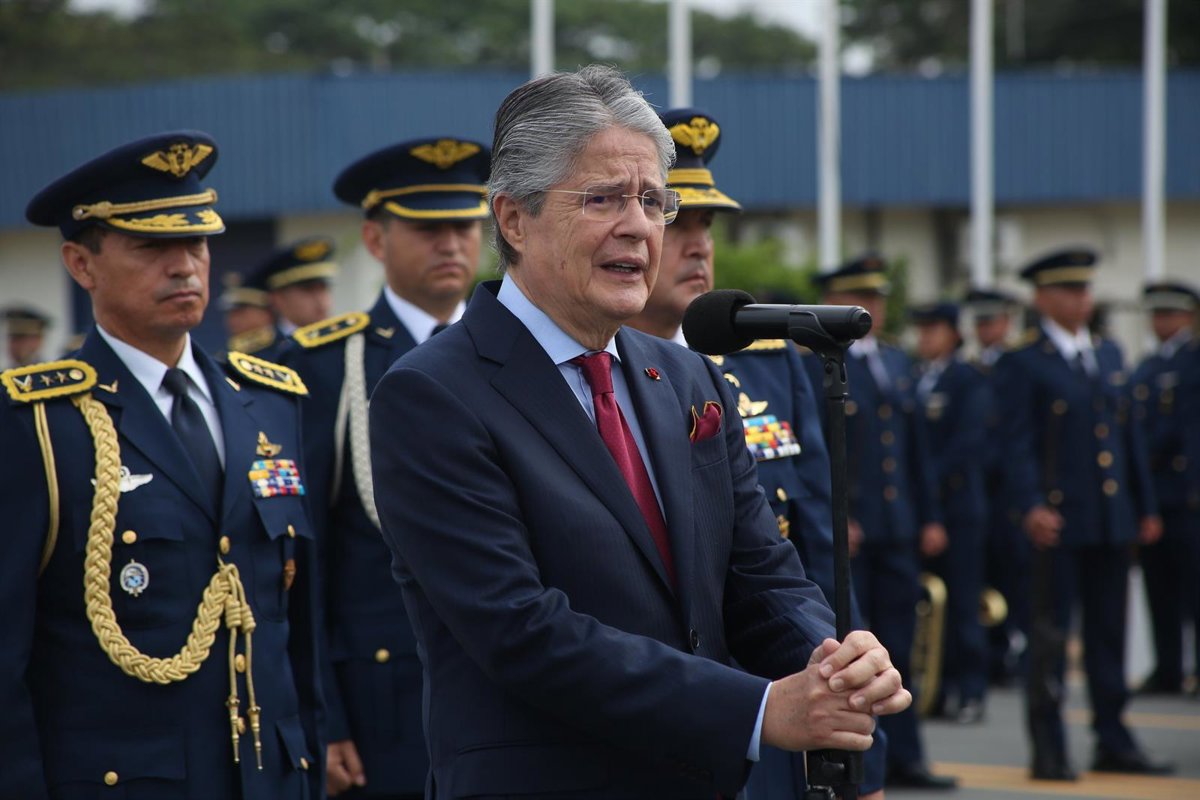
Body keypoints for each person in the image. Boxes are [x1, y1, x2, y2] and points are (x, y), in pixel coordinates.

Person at [367, 65, 910, 799]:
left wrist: (834, 661)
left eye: (653, 200)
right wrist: (756, 710)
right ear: (514, 219)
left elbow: (760, 574)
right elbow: (522, 631)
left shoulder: (687, 378)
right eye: (603, 198)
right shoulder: (432, 394)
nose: (638, 225)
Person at [1, 131, 324, 799]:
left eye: (197, 243)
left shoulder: (269, 403)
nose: (185, 267)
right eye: (151, 247)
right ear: (81, 264)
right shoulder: (37, 426)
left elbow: (295, 628)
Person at [627, 106, 888, 800]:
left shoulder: (771, 365)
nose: (698, 245)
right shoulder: (586, 385)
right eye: (677, 219)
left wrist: (862, 740)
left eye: (708, 226)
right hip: (650, 718)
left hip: (782, 716)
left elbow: (820, 563)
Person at [282, 136, 490, 799]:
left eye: (464, 226)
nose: (451, 244)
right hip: (382, 707)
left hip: (510, 690)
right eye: (428, 229)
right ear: (375, 239)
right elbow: (304, 562)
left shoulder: (514, 352)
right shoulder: (323, 368)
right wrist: (324, 715)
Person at [994, 248, 1169, 780]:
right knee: (1049, 639)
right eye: (1070, 290)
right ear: (1044, 298)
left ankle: (1113, 738)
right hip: (1058, 521)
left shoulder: (1109, 353)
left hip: (1109, 518)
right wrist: (1029, 505)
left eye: (1086, 289)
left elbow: (1127, 436)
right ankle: (1049, 746)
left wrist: (1142, 505)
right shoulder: (1025, 361)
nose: (1082, 299)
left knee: (1108, 635)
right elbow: (1014, 443)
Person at [802, 256, 954, 790]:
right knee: (856, 647)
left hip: (898, 525)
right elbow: (816, 451)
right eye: (862, 298)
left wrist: (929, 516)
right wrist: (837, 516)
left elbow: (915, 452)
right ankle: (862, 760)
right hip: (855, 530)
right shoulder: (816, 362)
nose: (874, 308)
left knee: (901, 644)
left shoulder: (895, 360)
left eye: (879, 299)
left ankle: (907, 755)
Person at [909, 302, 991, 723]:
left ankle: (971, 690)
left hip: (957, 508)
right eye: (921, 329)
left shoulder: (967, 378)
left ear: (954, 334)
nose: (925, 337)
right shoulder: (915, 377)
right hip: (924, 509)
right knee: (927, 606)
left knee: (961, 602)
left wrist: (924, 482)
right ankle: (937, 690)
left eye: (934, 329)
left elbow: (966, 444)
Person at [1129, 280, 1200, 696]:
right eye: (1156, 314)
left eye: (1169, 313)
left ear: (1187, 317)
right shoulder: (1147, 366)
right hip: (1156, 494)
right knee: (1160, 587)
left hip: (1188, 492)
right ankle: (1168, 667)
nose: (1161, 322)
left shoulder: (1193, 361)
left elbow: (1182, 430)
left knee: (1194, 586)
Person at [964, 287, 1029, 686]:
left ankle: (1014, 650)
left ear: (1006, 323)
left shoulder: (1017, 363)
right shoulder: (971, 370)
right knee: (984, 579)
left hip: (1010, 492)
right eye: (981, 322)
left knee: (1017, 577)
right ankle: (994, 650)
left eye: (993, 321)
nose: (986, 329)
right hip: (980, 489)